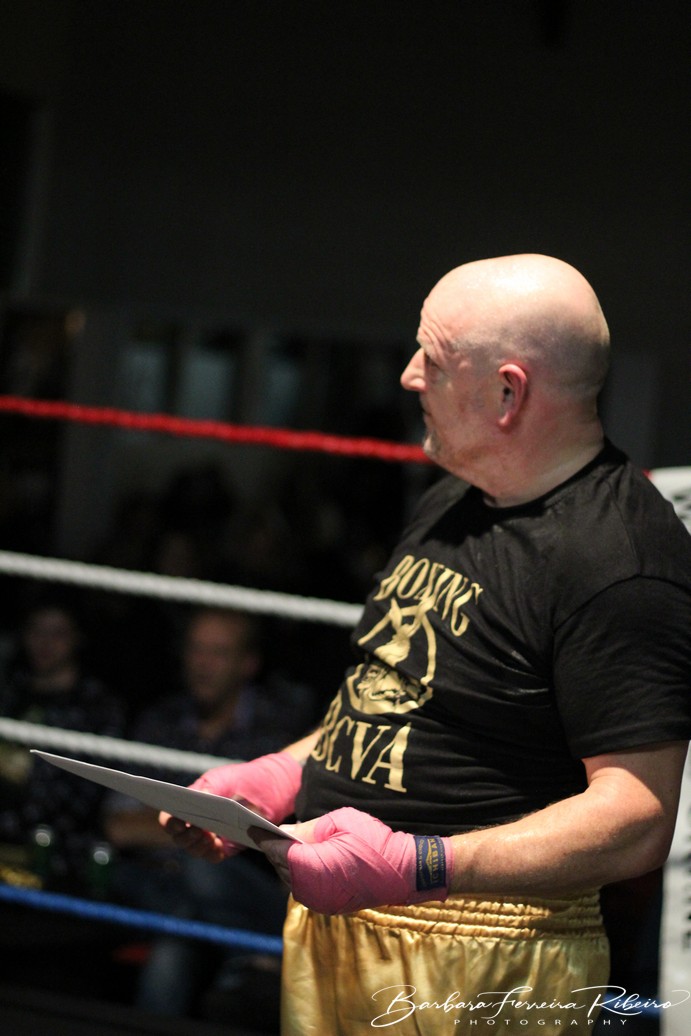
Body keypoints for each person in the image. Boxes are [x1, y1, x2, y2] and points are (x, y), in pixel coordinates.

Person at [161, 254, 691, 1035]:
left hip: (486, 959)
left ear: (508, 392)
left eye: (433, 359)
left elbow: (639, 816)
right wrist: (277, 777)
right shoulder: (453, 496)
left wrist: (422, 866)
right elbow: (396, 699)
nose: (409, 376)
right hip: (342, 928)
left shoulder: (619, 557)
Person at [103, 606, 315, 1020]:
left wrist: (178, 825)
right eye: (196, 649)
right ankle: (250, 961)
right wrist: (212, 824)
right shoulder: (160, 721)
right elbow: (119, 826)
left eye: (218, 652)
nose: (203, 663)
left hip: (235, 889)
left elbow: (276, 842)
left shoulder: (273, 736)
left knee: (191, 900)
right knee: (158, 896)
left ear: (247, 663)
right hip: (155, 885)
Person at [0, 590, 125, 889]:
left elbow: (89, 798)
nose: (45, 643)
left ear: (77, 638)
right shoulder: (9, 692)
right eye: (37, 631)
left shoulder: (98, 707)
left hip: (61, 857)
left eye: (57, 633)